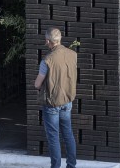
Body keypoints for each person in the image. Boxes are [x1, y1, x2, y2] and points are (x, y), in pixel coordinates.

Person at [34, 27, 77, 168]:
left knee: (53, 137)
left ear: (48, 41)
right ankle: (71, 165)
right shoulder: (72, 54)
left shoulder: (47, 60)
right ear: (60, 39)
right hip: (67, 100)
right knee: (68, 134)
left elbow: (37, 84)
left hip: (52, 103)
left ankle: (56, 166)